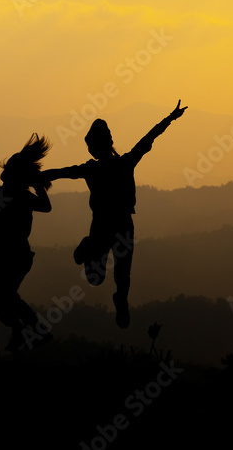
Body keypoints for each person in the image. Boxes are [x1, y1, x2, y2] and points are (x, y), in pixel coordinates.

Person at [43, 100, 187, 329]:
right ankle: (110, 280)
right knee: (116, 274)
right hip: (116, 225)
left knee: (115, 274)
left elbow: (62, 172)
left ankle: (118, 294)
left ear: (94, 147)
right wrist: (170, 118)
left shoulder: (99, 167)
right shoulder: (122, 163)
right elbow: (148, 139)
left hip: (107, 226)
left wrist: (37, 176)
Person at [0, 134, 53, 351]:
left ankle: (28, 331)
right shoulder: (16, 196)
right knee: (1, 298)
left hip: (12, 255)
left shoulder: (9, 196)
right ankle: (28, 331)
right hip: (12, 255)